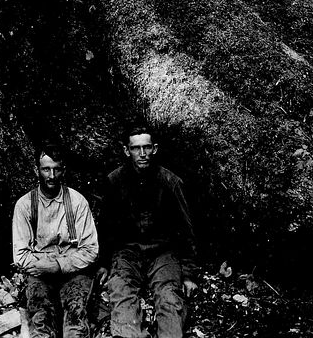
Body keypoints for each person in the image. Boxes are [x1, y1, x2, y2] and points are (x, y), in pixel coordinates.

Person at [97, 125, 197, 338]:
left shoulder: (170, 181)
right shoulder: (114, 181)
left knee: (169, 297)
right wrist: (105, 263)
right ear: (127, 151)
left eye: (147, 147)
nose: (142, 154)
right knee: (121, 293)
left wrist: (188, 274)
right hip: (127, 252)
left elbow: (185, 229)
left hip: (162, 253)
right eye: (136, 148)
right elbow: (105, 226)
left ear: (155, 149)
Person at [12, 142, 100, 338]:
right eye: (46, 169)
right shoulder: (25, 205)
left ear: (63, 170)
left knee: (75, 322)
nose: (51, 176)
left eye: (56, 169)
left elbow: (91, 250)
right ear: (37, 170)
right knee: (41, 321)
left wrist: (59, 266)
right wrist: (43, 266)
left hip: (73, 271)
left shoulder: (77, 202)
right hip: (39, 271)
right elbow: (20, 255)